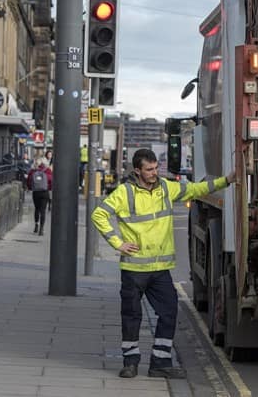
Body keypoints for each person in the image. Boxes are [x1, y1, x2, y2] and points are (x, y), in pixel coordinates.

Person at [91, 148, 236, 379]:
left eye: (156, 167)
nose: (154, 172)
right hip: (134, 269)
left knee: (169, 313)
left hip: (160, 271)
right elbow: (98, 214)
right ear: (137, 170)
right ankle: (130, 363)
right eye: (149, 169)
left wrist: (226, 180)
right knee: (131, 317)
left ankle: (160, 362)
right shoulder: (123, 193)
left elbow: (196, 189)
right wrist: (118, 243)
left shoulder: (166, 188)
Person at [27, 157, 53, 235]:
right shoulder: (48, 170)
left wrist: (30, 188)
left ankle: (36, 225)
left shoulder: (32, 171)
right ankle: (41, 229)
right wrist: (49, 188)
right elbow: (51, 181)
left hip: (36, 192)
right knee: (43, 211)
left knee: (37, 209)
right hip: (45, 192)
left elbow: (28, 181)